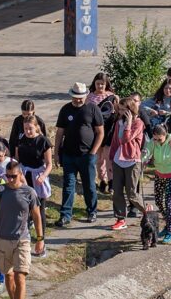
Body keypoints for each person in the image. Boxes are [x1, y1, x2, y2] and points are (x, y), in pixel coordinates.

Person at [0, 162, 43, 299]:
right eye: (7, 176)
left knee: (20, 276)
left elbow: (37, 215)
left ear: (20, 175)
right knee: (9, 276)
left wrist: (40, 238)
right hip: (3, 239)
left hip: (22, 239)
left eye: (13, 176)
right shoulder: (1, 191)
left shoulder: (29, 192)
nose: (10, 179)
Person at [55, 82, 104, 227]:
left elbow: (100, 132)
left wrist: (93, 152)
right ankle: (65, 215)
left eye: (81, 97)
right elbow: (59, 133)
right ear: (71, 96)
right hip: (69, 155)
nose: (78, 100)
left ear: (86, 95)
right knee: (68, 185)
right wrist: (56, 153)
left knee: (89, 185)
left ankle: (91, 211)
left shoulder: (93, 109)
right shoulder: (65, 109)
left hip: (86, 155)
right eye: (75, 97)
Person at [108, 99, 145, 231]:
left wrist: (129, 124)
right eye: (121, 109)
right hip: (119, 160)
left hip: (132, 160)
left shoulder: (138, 123)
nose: (121, 112)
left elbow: (125, 139)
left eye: (124, 110)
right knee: (116, 191)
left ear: (131, 109)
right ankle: (120, 218)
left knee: (131, 193)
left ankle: (146, 211)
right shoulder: (119, 122)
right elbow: (115, 142)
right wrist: (111, 159)